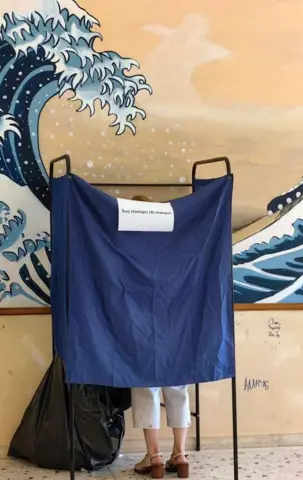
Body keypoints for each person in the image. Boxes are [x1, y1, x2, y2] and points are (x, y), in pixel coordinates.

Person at [128, 195, 191, 479]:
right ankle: (180, 453)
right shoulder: (172, 244)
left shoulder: (126, 246)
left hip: (140, 323)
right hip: (175, 322)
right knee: (178, 388)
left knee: (146, 388)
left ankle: (154, 457)